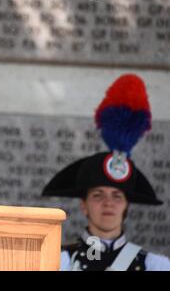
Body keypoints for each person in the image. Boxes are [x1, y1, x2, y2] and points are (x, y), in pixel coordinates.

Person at [42, 74, 170, 271]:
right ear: (84, 205)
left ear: (126, 205)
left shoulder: (154, 266)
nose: (108, 203)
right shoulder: (60, 262)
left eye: (117, 196)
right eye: (97, 195)